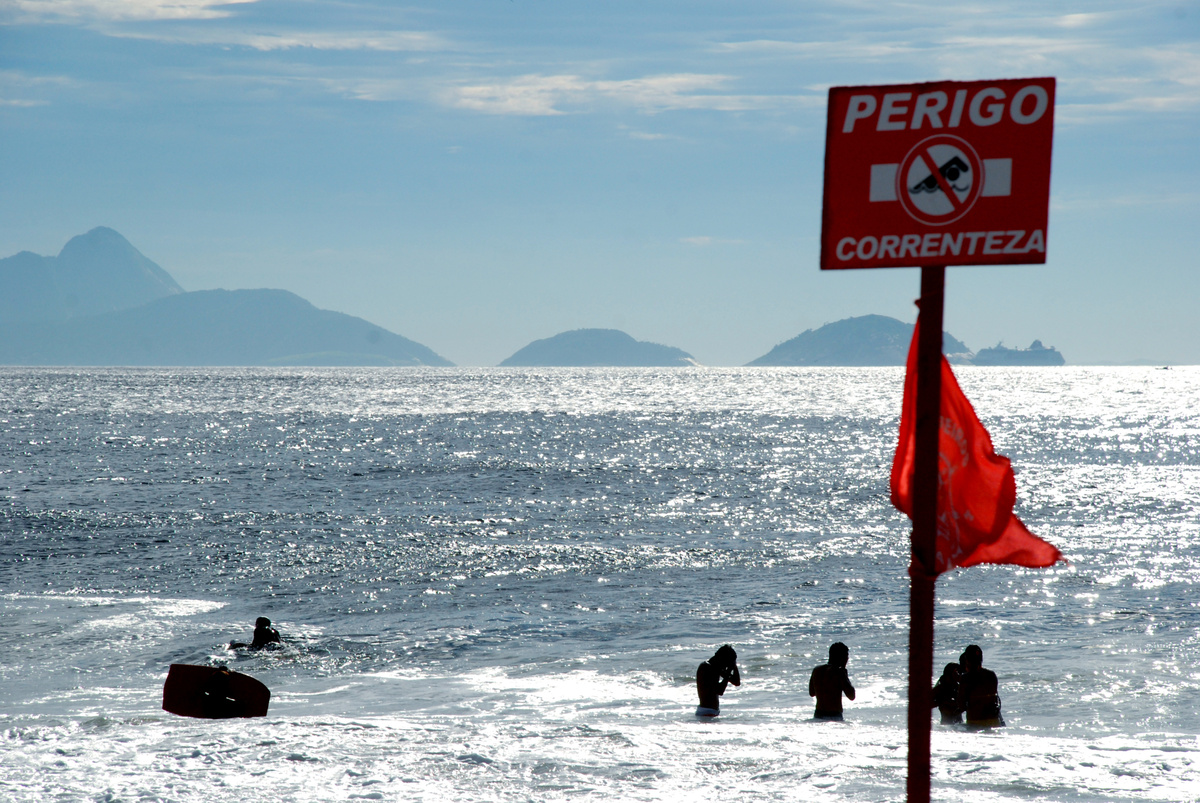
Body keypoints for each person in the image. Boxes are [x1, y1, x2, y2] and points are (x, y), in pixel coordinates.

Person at [957, 644, 1004, 727]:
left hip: (975, 722)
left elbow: (962, 705)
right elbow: (994, 698)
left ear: (967, 660)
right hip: (993, 721)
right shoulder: (991, 675)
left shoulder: (965, 678)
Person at [809, 642, 855, 720]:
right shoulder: (839, 672)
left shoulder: (817, 670)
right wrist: (844, 674)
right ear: (841, 657)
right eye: (846, 656)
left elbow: (812, 693)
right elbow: (851, 696)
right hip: (834, 716)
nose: (847, 659)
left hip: (818, 715)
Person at [695, 644, 741, 717]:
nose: (725, 667)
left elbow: (736, 682)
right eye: (725, 664)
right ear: (720, 658)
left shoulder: (715, 667)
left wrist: (734, 666)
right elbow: (720, 691)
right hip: (706, 712)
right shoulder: (706, 667)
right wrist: (729, 670)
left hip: (711, 712)